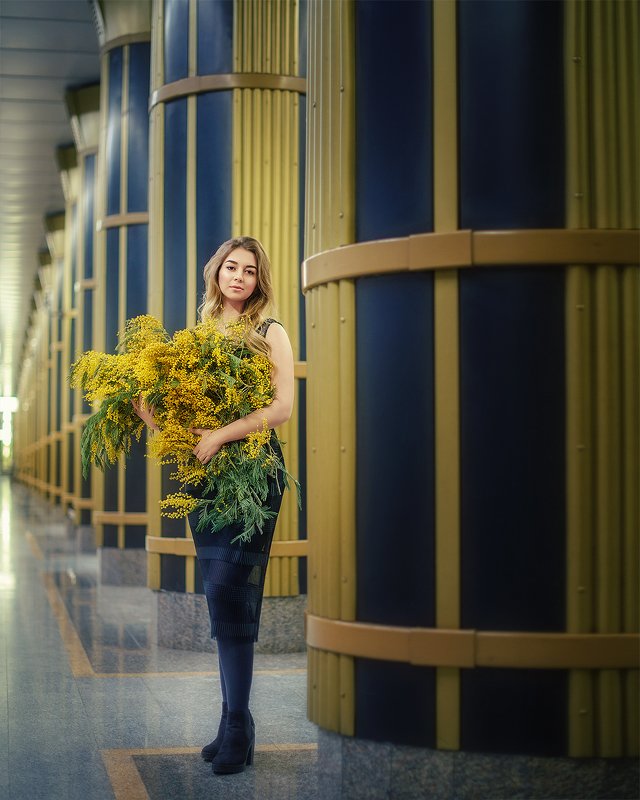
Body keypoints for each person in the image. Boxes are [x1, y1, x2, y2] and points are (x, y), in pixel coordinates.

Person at [133, 236, 294, 775]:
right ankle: (234, 725)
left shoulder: (271, 333)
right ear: (216, 274)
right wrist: (148, 414)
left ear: (259, 281)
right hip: (208, 478)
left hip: (252, 474)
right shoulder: (196, 339)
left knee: (233, 593)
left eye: (250, 270)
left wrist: (223, 433)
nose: (240, 277)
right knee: (218, 596)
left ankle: (238, 721)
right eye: (232, 267)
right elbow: (185, 427)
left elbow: (282, 408)